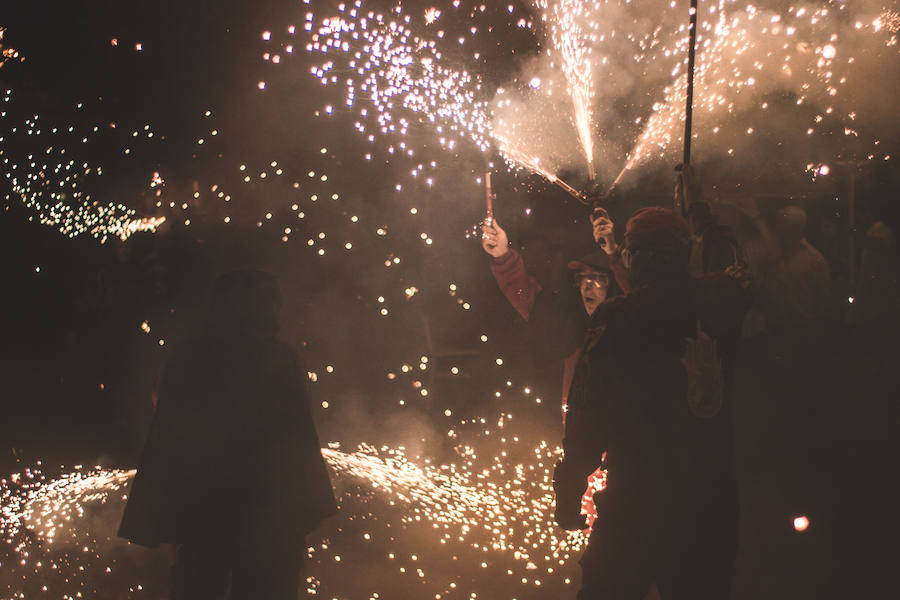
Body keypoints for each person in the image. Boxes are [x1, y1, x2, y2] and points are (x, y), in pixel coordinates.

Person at [553, 201, 750, 599]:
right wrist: (703, 212)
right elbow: (733, 263)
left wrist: (570, 488)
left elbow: (587, 415)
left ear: (636, 256)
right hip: (709, 503)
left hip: (638, 502)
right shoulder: (723, 299)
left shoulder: (618, 318)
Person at [118, 269, 337, 600]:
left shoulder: (190, 358)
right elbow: (301, 439)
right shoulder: (280, 358)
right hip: (266, 512)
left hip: (209, 511)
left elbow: (164, 435)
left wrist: (158, 512)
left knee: (200, 586)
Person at [481, 211, 628, 420]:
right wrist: (502, 255)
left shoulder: (629, 325)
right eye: (582, 278)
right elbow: (526, 297)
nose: (587, 286)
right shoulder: (569, 324)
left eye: (596, 278)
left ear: (612, 284)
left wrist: (614, 251)